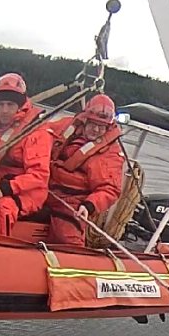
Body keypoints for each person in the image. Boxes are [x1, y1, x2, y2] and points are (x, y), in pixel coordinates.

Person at [0, 73, 52, 237]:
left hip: (26, 192)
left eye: (10, 105)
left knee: (0, 208)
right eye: (1, 104)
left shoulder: (36, 132)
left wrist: (5, 189)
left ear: (20, 106)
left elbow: (38, 175)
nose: (4, 110)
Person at [41, 93, 125, 246]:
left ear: (109, 127)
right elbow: (41, 133)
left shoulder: (110, 154)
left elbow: (109, 189)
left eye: (102, 126)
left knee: (67, 239)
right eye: (93, 124)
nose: (96, 130)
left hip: (72, 201)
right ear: (85, 119)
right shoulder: (67, 126)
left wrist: (88, 206)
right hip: (43, 186)